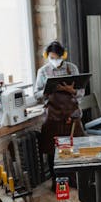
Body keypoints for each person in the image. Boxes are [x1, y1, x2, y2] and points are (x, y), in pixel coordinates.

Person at [34, 41, 85, 188]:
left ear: (63, 56)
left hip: (72, 116)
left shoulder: (72, 68)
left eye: (57, 57)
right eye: (51, 57)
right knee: (53, 151)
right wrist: (47, 91)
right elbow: (36, 95)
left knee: (75, 149)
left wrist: (71, 91)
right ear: (47, 56)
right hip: (53, 117)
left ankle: (75, 181)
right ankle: (58, 184)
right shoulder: (43, 72)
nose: (54, 60)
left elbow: (81, 91)